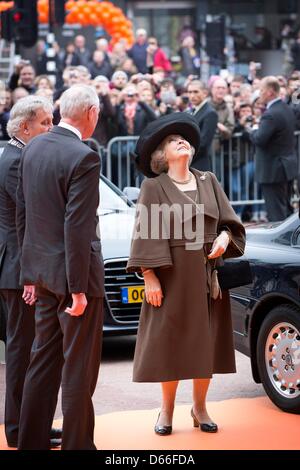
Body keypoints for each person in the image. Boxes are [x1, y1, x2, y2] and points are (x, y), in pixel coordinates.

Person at [127, 113, 245, 435]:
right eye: (171, 141)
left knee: (204, 344)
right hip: (172, 277)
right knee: (170, 344)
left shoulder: (209, 180)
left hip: (208, 277)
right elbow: (145, 234)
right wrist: (149, 276)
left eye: (184, 139)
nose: (182, 142)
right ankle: (166, 411)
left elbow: (230, 226)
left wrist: (224, 238)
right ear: (161, 156)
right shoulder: (153, 187)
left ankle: (200, 408)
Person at [16, 85, 105, 450]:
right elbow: (77, 226)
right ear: (90, 113)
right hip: (73, 280)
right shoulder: (84, 156)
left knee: (43, 361)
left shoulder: (34, 146)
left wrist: (29, 274)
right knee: (78, 369)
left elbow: (26, 214)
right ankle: (78, 445)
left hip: (43, 275)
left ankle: (31, 442)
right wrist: (79, 289)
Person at [0, 96, 62, 449]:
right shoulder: (16, 161)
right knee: (22, 353)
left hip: (16, 267)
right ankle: (20, 431)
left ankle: (29, 426)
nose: (50, 129)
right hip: (17, 270)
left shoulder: (16, 155)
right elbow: (27, 220)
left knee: (26, 351)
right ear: (25, 127)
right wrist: (31, 274)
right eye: (44, 123)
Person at [249, 76, 297, 222]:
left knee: (276, 214)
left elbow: (259, 139)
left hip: (273, 171)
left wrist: (253, 129)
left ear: (270, 92)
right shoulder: (286, 108)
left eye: (261, 90)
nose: (259, 93)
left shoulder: (270, 114)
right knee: (286, 210)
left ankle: (280, 244)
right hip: (285, 168)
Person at [187, 80, 218, 171]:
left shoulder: (210, 113)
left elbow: (203, 143)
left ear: (205, 93)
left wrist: (186, 156)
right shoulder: (192, 111)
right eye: (190, 92)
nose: (192, 95)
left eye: (196, 92)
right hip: (189, 163)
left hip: (199, 165)